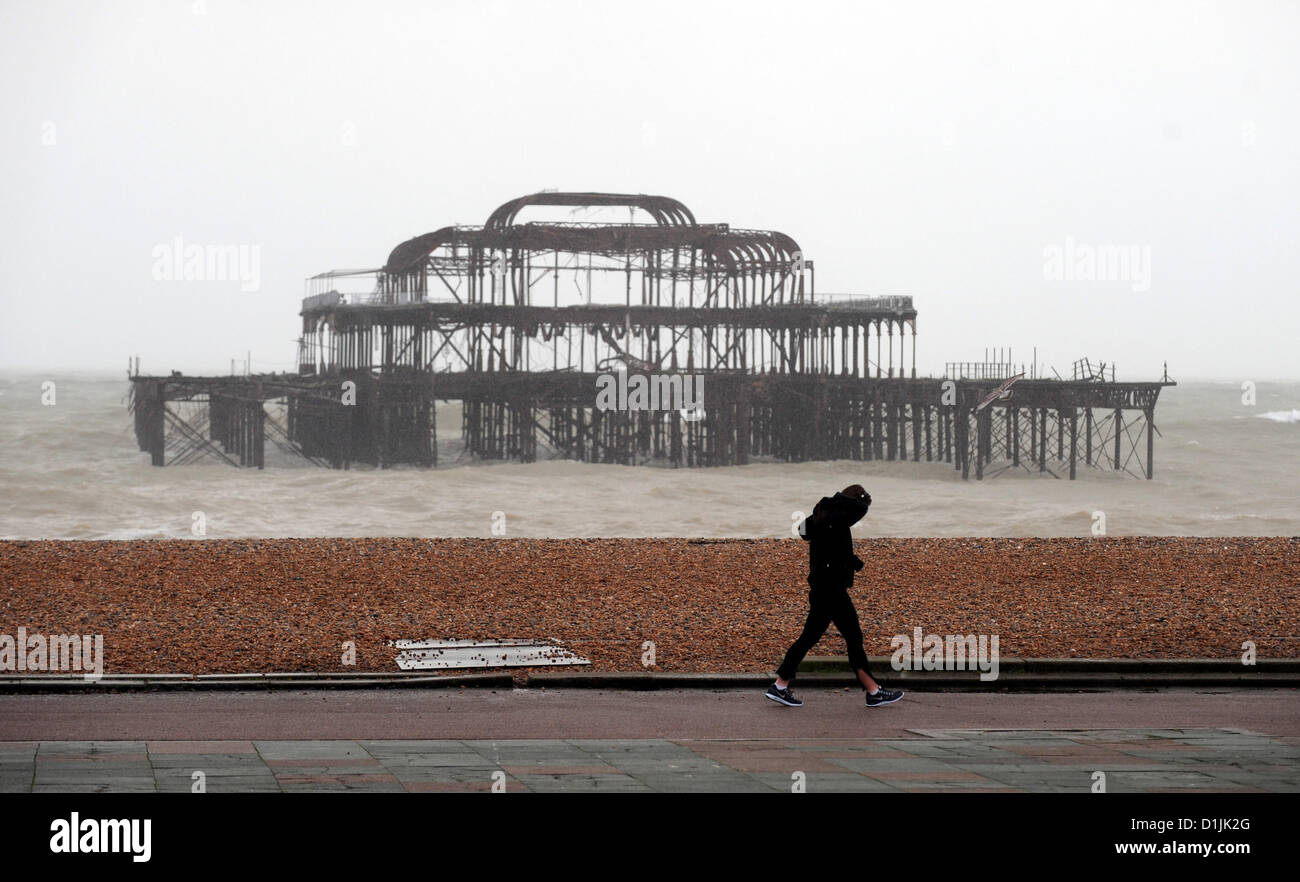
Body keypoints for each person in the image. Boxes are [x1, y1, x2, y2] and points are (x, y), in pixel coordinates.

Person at [766, 484, 904, 709]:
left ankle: (780, 685)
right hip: (832, 589)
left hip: (822, 587)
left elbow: (813, 537)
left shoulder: (823, 515)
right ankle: (873, 691)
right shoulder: (838, 517)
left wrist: (853, 561)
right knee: (853, 638)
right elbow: (855, 516)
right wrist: (852, 500)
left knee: (811, 638)